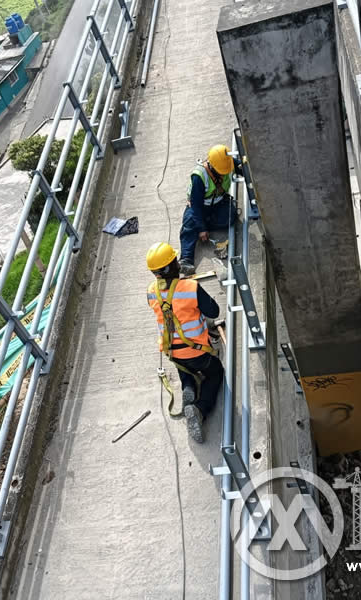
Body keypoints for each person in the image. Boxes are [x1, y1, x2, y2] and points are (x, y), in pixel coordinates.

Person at [146, 241, 224, 443]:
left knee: (184, 364)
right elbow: (214, 312)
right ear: (175, 265)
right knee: (215, 374)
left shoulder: (151, 292)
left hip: (173, 354)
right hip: (198, 353)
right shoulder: (190, 287)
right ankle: (199, 409)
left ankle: (188, 386)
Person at [178, 144, 241, 276]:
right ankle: (186, 260)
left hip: (218, 203)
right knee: (189, 225)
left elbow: (241, 167)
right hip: (199, 207)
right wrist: (201, 228)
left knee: (230, 216)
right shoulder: (199, 176)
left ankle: (201, 225)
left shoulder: (227, 162)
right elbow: (195, 205)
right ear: (212, 165)